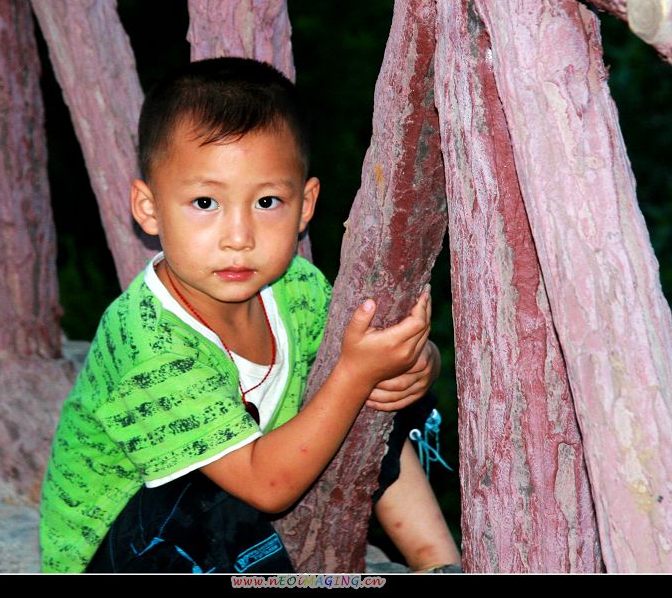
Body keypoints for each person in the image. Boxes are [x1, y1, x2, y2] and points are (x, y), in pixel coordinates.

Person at [39, 57, 461, 573]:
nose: (238, 237)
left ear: (304, 205)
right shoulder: (148, 346)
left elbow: (370, 374)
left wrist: (417, 364)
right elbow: (265, 487)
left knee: (371, 386)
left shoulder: (298, 288)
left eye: (265, 202)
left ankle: (438, 562)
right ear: (149, 209)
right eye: (204, 202)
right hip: (132, 546)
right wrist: (355, 372)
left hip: (245, 491)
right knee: (217, 488)